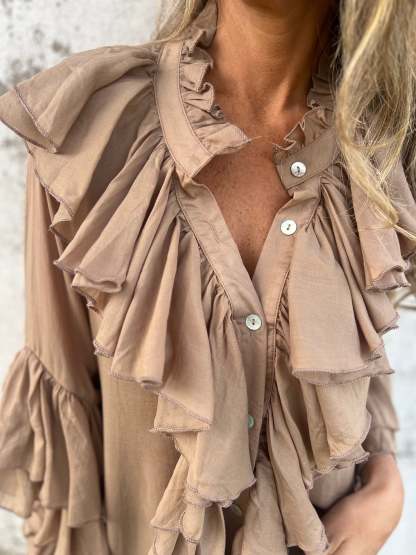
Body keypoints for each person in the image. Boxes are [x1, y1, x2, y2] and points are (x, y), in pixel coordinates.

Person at [0, 0, 415, 553]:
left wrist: (386, 487)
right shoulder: (91, 127)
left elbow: (361, 351)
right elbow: (65, 416)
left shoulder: (385, 140)